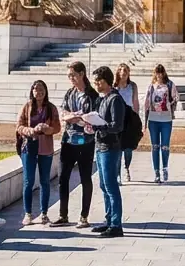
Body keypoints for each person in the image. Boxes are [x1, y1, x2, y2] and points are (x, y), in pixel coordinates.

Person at [51, 61, 99, 227]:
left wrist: (77, 118)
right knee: (63, 177)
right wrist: (71, 116)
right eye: (69, 75)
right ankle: (63, 215)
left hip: (86, 141)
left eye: (73, 75)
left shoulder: (92, 95)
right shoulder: (70, 93)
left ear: (82, 74)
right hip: (69, 140)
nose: (70, 78)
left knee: (85, 178)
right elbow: (63, 113)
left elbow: (93, 115)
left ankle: (84, 216)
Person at [16, 79, 61, 225]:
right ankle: (28, 213)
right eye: (36, 89)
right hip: (29, 147)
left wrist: (48, 129)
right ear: (32, 91)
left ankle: (44, 213)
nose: (39, 92)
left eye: (42, 89)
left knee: (44, 181)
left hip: (45, 148)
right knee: (28, 181)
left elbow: (57, 127)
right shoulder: (27, 107)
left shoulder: (51, 108)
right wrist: (30, 131)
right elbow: (19, 126)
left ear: (46, 91)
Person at [90, 65, 126, 238]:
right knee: (104, 186)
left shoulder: (115, 99)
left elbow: (117, 126)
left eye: (98, 81)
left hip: (110, 147)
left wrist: (98, 126)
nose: (96, 84)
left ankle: (116, 224)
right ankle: (109, 220)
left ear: (106, 81)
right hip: (100, 146)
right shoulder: (102, 99)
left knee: (111, 186)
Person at [143, 64, 179, 183]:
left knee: (165, 146)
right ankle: (156, 172)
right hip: (153, 120)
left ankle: (165, 167)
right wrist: (144, 122)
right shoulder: (151, 87)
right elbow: (146, 104)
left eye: (161, 72)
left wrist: (169, 103)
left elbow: (176, 97)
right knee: (155, 147)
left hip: (165, 119)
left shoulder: (169, 85)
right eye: (157, 72)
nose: (159, 75)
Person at [114, 63, 139, 182]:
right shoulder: (114, 87)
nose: (123, 73)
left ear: (128, 73)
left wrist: (137, 119)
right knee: (118, 149)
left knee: (128, 149)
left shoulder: (132, 86)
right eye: (121, 71)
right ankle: (117, 174)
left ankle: (126, 167)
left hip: (129, 118)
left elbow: (135, 102)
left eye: (125, 71)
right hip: (118, 118)